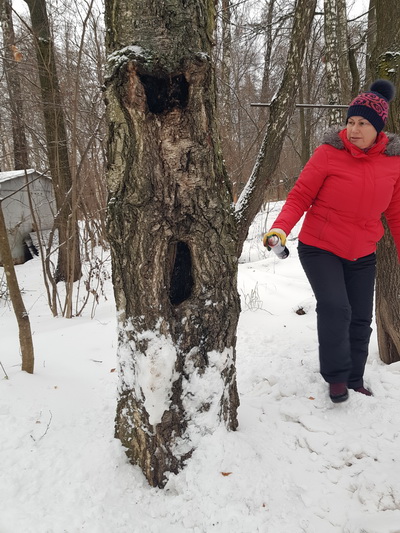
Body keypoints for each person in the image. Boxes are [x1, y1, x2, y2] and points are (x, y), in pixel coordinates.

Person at [263, 80, 400, 403]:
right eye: (351, 121)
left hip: (363, 252)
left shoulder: (393, 163)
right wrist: (280, 229)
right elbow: (300, 196)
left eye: (362, 123)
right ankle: (337, 378)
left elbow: (396, 214)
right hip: (320, 247)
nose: (353, 129)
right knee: (336, 308)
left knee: (360, 318)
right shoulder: (328, 154)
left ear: (378, 128)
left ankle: (355, 378)